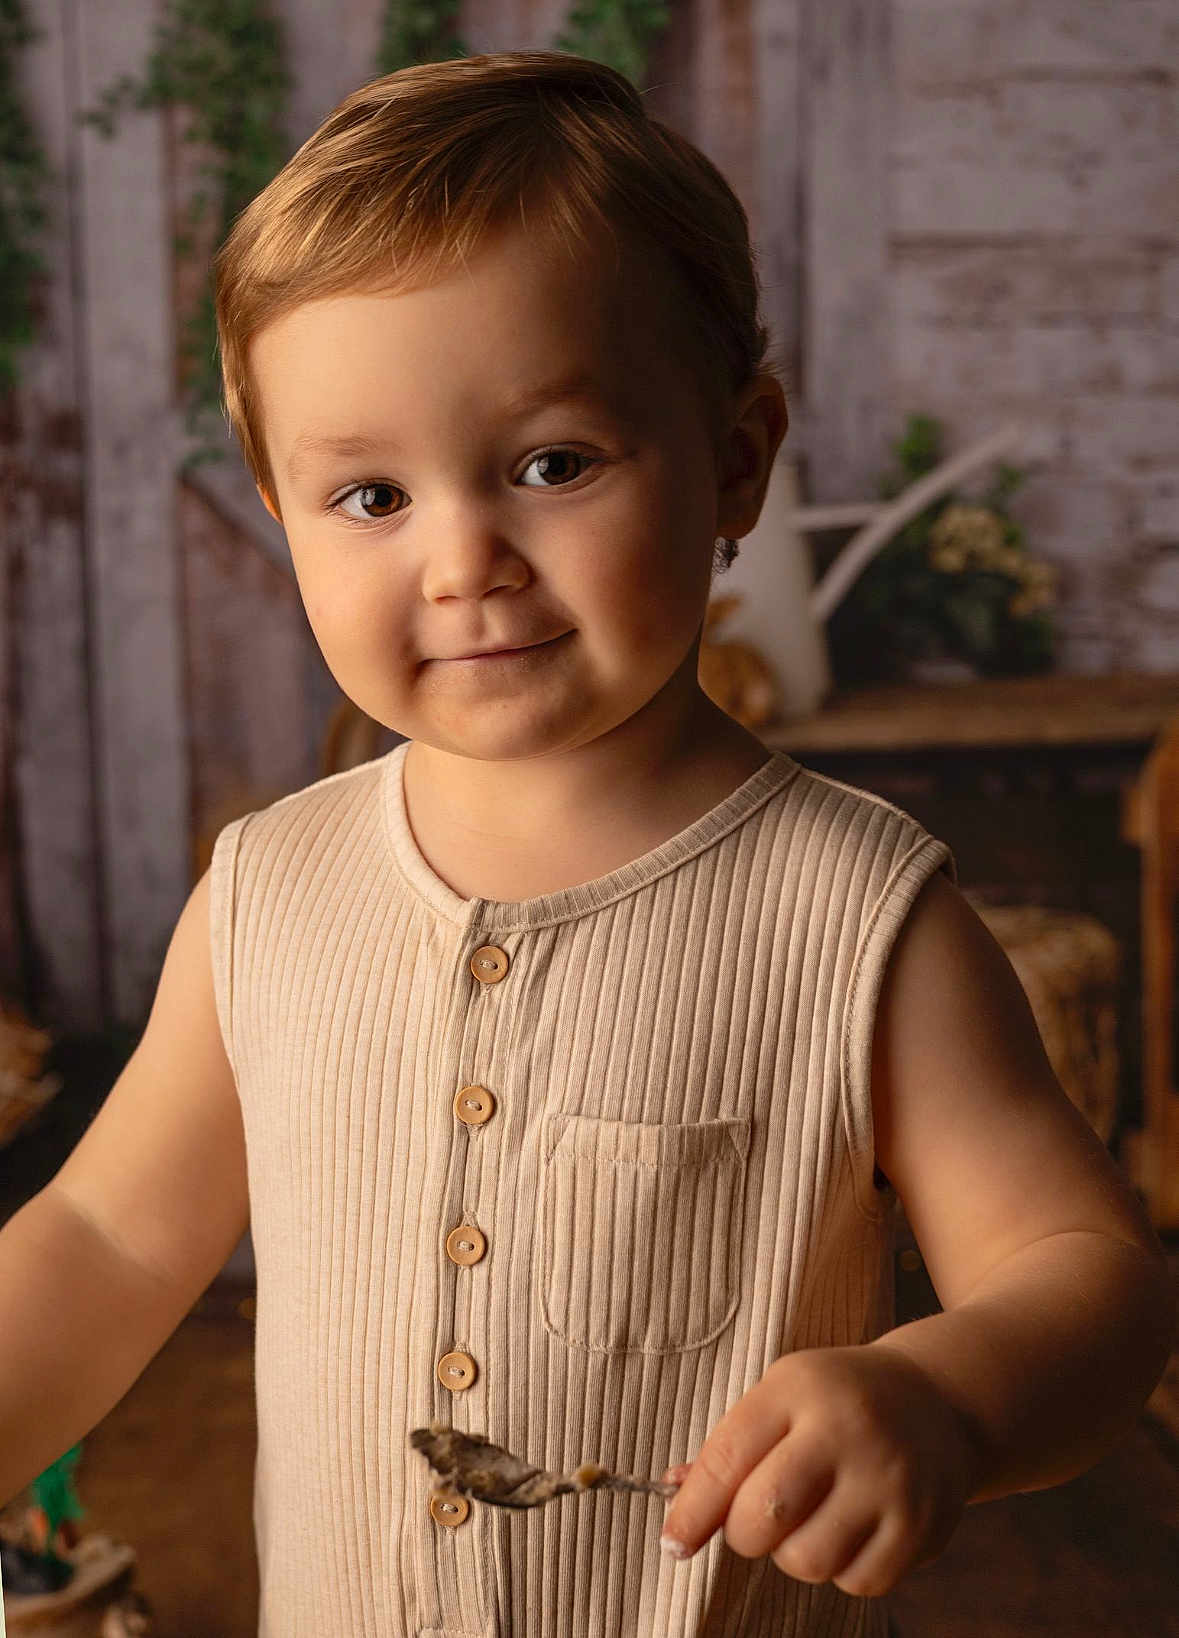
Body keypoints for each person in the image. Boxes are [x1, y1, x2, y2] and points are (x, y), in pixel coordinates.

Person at [0, 50, 1173, 1638]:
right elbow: (107, 1238)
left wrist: (951, 1396)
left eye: (553, 464)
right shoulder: (268, 897)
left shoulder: (856, 918)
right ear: (279, 511)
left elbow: (1088, 1275)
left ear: (736, 458)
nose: (463, 560)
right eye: (369, 496)